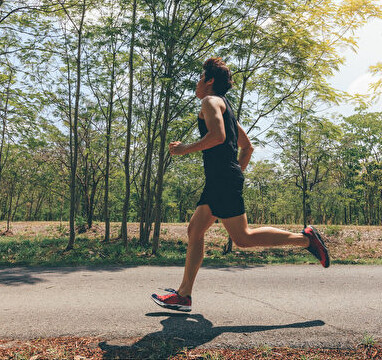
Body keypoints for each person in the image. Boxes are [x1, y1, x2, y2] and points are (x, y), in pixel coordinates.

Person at [151, 58, 330, 312]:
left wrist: (185, 149)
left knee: (243, 238)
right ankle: (184, 295)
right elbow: (246, 147)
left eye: (201, 78)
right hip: (221, 179)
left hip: (222, 179)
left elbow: (218, 137)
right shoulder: (226, 107)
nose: (197, 83)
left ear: (210, 81)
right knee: (195, 230)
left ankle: (305, 240)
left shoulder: (210, 101)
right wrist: (235, 172)